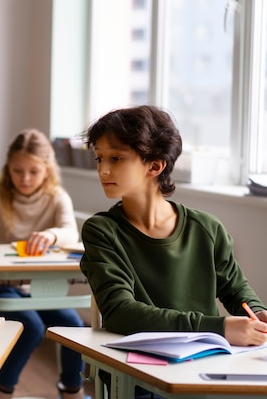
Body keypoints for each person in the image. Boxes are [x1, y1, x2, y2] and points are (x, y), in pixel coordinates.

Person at [80, 105, 267, 399]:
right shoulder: (102, 231)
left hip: (207, 367)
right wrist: (219, 328)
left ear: (155, 166)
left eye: (116, 158)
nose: (103, 169)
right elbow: (119, 312)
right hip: (139, 375)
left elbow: (235, 289)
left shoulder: (206, 228)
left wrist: (256, 312)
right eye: (100, 158)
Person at [0, 128, 87, 399]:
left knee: (74, 328)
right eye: (17, 171)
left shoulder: (57, 197)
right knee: (31, 327)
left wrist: (51, 234)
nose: (25, 179)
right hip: (1, 284)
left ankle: (72, 389)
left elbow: (70, 232)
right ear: (8, 168)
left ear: (47, 170)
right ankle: (2, 391)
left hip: (41, 287)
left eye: (33, 172)